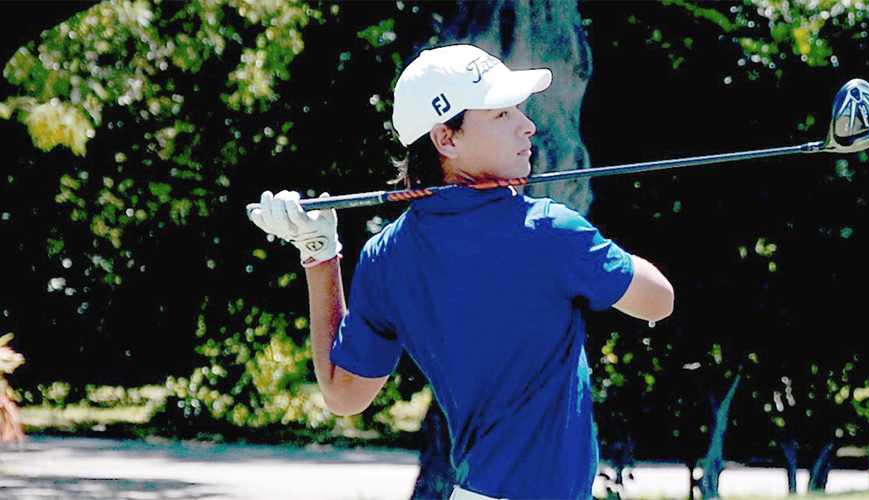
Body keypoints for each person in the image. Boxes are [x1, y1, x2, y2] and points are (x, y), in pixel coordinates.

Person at [250, 44, 674, 500]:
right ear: (446, 140)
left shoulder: (385, 255)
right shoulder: (549, 230)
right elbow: (659, 300)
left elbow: (343, 395)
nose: (527, 125)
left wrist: (319, 255)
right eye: (502, 114)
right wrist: (591, 253)